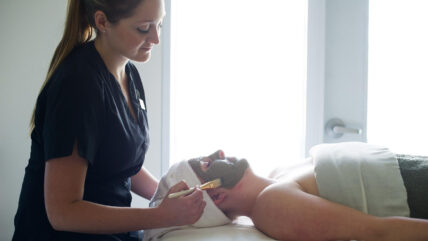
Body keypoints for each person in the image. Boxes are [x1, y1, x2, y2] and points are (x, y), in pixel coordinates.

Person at [12, 0, 206, 240]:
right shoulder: (78, 85)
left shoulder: (128, 73)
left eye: (160, 25)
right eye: (144, 28)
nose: (156, 38)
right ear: (102, 22)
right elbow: (63, 213)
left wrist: (169, 194)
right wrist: (163, 215)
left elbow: (119, 160)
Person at [149, 143, 428, 241]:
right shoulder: (271, 207)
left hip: (411, 169)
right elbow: (376, 231)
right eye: (208, 163)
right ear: (216, 196)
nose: (220, 152)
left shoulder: (275, 177)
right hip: (416, 192)